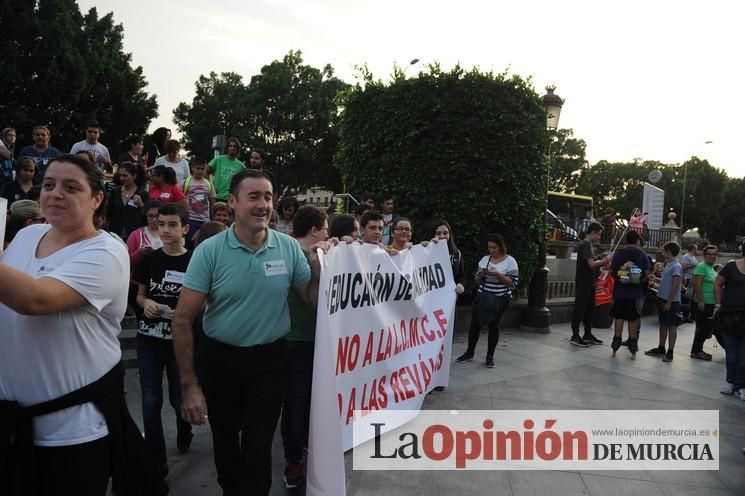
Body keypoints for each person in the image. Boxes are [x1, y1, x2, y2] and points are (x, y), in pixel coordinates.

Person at [0, 154, 166, 495]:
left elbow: (36, 300)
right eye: (48, 185)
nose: (55, 193)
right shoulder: (27, 237)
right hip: (12, 426)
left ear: (97, 199)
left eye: (71, 187)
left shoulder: (106, 252)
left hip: (72, 432)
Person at [172, 168, 327, 495]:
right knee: (226, 443)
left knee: (258, 449)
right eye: (253, 196)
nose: (263, 205)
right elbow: (183, 318)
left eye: (268, 197)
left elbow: (311, 299)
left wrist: (319, 265)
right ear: (233, 201)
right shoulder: (209, 251)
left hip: (270, 362)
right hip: (220, 361)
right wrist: (189, 385)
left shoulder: (287, 248)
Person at [134, 203, 193, 478]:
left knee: (177, 398)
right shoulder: (149, 259)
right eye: (161, 224)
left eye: (172, 225)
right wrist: (146, 303)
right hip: (148, 339)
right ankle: (157, 460)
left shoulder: (194, 261)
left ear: (185, 228)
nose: (165, 230)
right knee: (150, 400)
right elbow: (139, 295)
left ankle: (185, 430)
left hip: (179, 342)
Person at [281, 205, 328, 488]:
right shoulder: (298, 256)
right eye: (325, 228)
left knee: (306, 400)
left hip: (312, 338)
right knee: (297, 401)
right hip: (298, 339)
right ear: (314, 230)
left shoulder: (303, 252)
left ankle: (301, 452)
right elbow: (310, 297)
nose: (327, 233)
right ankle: (294, 460)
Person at [456, 233, 519, 367]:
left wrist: (497, 274)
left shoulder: (510, 261)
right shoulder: (485, 260)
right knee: (475, 325)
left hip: (500, 299)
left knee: (494, 326)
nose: (491, 250)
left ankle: (490, 357)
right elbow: (476, 281)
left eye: (494, 247)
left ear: (501, 247)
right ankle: (470, 352)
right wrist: (481, 275)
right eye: (489, 247)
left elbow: (513, 283)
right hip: (483, 297)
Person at [609, 230, 650, 358]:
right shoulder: (642, 255)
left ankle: (616, 343)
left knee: (619, 317)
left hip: (620, 291)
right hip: (634, 292)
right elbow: (647, 274)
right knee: (632, 318)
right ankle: (633, 345)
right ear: (637, 240)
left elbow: (612, 271)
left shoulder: (619, 254)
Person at [570, 222, 609, 347]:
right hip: (584, 283)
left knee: (589, 310)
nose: (599, 237)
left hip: (589, 282)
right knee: (580, 309)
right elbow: (591, 264)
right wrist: (605, 260)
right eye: (598, 234)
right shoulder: (585, 245)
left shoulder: (588, 245)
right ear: (592, 232)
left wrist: (599, 257)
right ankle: (575, 335)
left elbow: (589, 261)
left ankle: (587, 333)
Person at [714, 250, 745, 399]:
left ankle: (740, 385)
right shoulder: (731, 266)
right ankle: (730, 382)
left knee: (743, 357)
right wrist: (719, 304)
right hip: (729, 316)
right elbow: (718, 283)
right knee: (731, 353)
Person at [644, 242, 682, 362]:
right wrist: (656, 279)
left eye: (664, 251)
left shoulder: (676, 266)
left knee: (671, 325)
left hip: (671, 300)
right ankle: (661, 347)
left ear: (669, 252)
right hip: (662, 298)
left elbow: (675, 285)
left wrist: (669, 302)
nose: (662, 253)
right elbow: (668, 281)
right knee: (663, 323)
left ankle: (670, 351)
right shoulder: (668, 264)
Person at [106, 162, 149, 241]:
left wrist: (141, 205)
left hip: (134, 235)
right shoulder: (115, 192)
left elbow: (148, 216)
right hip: (115, 234)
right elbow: (109, 213)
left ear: (134, 176)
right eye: (120, 175)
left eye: (125, 175)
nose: (121, 178)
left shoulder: (143, 194)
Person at [690, 245, 719, 360]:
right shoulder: (701, 267)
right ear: (704, 255)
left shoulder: (711, 268)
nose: (712, 256)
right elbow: (697, 284)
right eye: (709, 254)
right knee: (703, 328)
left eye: (714, 254)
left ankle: (697, 350)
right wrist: (701, 301)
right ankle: (696, 351)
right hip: (704, 302)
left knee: (705, 328)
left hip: (711, 303)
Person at [182, 158, 215, 247]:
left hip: (205, 219)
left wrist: (213, 217)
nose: (200, 171)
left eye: (202, 169)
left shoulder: (208, 184)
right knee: (190, 243)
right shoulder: (186, 182)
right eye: (198, 168)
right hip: (191, 219)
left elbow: (212, 201)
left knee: (205, 244)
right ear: (192, 168)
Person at [431, 219, 465, 295]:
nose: (442, 236)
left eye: (445, 233)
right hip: (431, 298)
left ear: (450, 234)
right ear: (433, 235)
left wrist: (461, 284)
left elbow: (462, 276)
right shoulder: (427, 251)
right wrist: (429, 248)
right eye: (438, 233)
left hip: (449, 299)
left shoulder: (456, 253)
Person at [209, 137, 245, 202]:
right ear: (227, 148)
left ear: (237, 149)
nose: (232, 148)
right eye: (230, 146)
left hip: (231, 199)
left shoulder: (241, 166)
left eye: (234, 146)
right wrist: (210, 187)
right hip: (216, 196)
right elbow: (205, 171)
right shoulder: (218, 159)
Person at [681, 244, 698, 322]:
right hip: (687, 278)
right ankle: (685, 315)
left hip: (693, 278)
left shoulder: (693, 257)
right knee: (687, 297)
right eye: (696, 249)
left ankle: (690, 315)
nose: (697, 250)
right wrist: (693, 265)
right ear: (693, 249)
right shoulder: (686, 256)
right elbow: (683, 267)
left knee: (691, 298)